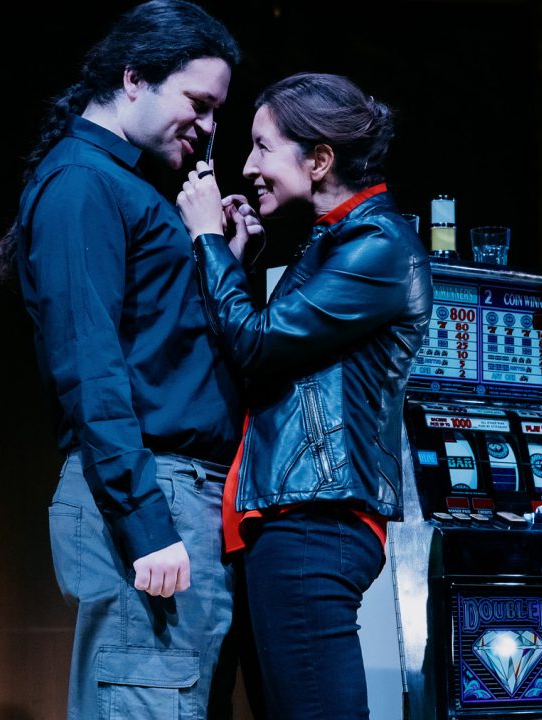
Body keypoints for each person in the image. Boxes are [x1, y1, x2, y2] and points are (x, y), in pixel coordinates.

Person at [0, 3, 243, 718]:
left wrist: (223, 256)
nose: (208, 126)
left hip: (175, 488)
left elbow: (156, 343)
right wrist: (146, 520)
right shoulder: (83, 184)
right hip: (151, 489)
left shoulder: (121, 185)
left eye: (217, 111)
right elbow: (88, 364)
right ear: (134, 78)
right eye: (198, 103)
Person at [176, 72, 433, 720]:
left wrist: (207, 239)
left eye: (263, 147)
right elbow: (263, 360)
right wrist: (231, 256)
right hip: (291, 521)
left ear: (319, 159)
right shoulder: (334, 241)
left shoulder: (377, 243)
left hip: (314, 523)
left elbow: (259, 346)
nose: (247, 166)